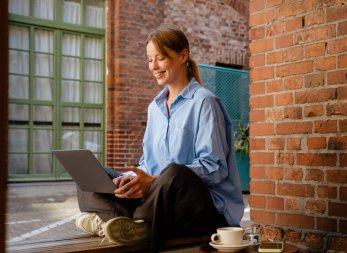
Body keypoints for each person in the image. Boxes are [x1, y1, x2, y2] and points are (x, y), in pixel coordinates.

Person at [74, 25, 244, 251]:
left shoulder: (205, 102)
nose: (153, 66)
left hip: (203, 209)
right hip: (157, 201)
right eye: (149, 60)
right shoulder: (155, 108)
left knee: (175, 173)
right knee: (91, 174)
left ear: (183, 56)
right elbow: (148, 163)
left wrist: (154, 181)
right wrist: (129, 179)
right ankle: (134, 225)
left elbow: (215, 169)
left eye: (160, 58)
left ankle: (116, 222)